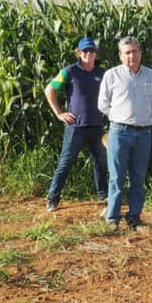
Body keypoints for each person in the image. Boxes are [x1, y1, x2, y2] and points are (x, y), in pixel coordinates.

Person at [98, 37, 152, 230]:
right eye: (127, 52)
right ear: (120, 55)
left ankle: (134, 218)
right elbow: (103, 103)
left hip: (143, 133)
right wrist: (119, 116)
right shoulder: (112, 75)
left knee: (138, 177)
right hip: (119, 131)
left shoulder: (151, 75)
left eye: (135, 51)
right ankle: (113, 218)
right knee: (117, 177)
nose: (132, 55)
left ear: (140, 53)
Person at [45, 37, 107, 212]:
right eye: (85, 51)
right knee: (66, 162)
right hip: (76, 127)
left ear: (95, 53)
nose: (88, 54)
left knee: (100, 162)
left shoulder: (102, 73)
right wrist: (59, 113)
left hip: (96, 126)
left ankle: (103, 195)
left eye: (91, 51)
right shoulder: (69, 72)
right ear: (79, 53)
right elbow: (49, 89)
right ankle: (52, 198)